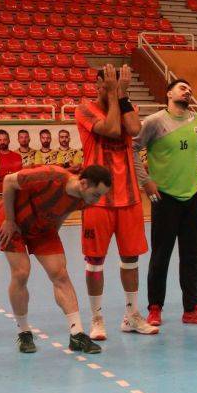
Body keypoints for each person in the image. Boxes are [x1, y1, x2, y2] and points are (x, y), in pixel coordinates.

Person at [76, 64, 157, 339]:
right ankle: (96, 318)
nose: (110, 86)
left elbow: (133, 129)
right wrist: (114, 94)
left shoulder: (125, 105)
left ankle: (132, 315)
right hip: (97, 200)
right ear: (97, 85)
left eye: (115, 82)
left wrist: (121, 95)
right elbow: (111, 129)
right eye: (106, 83)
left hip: (129, 197)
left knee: (131, 259)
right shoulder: (84, 109)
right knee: (95, 260)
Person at [0, 164, 112, 354]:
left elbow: (63, 211)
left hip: (43, 228)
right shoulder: (50, 176)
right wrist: (9, 220)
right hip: (13, 221)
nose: (97, 200)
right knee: (21, 272)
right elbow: (8, 181)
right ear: (83, 183)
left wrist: (53, 236)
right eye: (96, 194)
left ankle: (76, 334)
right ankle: (24, 332)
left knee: (60, 273)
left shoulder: (84, 199)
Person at [135, 79, 197, 327]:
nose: (187, 91)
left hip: (193, 196)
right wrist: (145, 181)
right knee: (161, 255)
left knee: (192, 256)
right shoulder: (154, 121)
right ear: (169, 93)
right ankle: (154, 307)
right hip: (164, 197)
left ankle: (191, 308)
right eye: (182, 88)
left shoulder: (196, 119)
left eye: (190, 89)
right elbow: (133, 148)